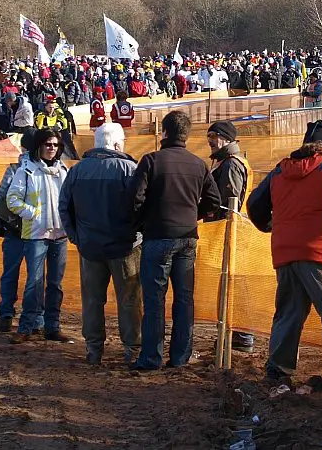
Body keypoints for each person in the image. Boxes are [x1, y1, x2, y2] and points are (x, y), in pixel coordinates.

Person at [247, 120, 322, 390]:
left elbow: (255, 204)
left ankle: (278, 370)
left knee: (288, 312)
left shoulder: (280, 171)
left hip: (286, 252)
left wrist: (272, 226)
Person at [131, 111, 221, 371]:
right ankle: (180, 357)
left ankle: (151, 358)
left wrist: (141, 224)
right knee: (184, 299)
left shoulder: (151, 161)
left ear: (165, 133)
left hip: (158, 237)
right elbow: (213, 201)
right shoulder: (198, 164)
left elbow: (135, 199)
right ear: (186, 135)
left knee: (155, 299)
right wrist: (195, 215)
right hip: (187, 238)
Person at [60, 123, 144, 366]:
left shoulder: (77, 171)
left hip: (90, 248)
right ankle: (132, 349)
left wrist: (76, 237)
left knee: (92, 300)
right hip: (125, 247)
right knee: (129, 299)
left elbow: (64, 206)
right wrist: (138, 235)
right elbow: (141, 206)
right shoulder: (129, 169)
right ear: (117, 144)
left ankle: (94, 349)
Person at [5, 128, 70, 343]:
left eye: (55, 145)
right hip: (35, 235)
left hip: (59, 235)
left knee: (55, 283)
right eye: (47, 144)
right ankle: (26, 326)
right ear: (39, 146)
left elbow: (70, 200)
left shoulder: (63, 171)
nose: (51, 149)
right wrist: (33, 213)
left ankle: (52, 326)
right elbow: (12, 199)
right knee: (34, 281)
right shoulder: (26, 171)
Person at [205, 120, 254, 353]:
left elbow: (229, 201)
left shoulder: (231, 165)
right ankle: (239, 334)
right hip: (229, 230)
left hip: (230, 231)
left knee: (234, 283)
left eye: (213, 136)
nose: (210, 141)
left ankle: (243, 335)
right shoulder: (225, 162)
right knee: (231, 283)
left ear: (225, 138)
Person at [0, 128, 38, 332]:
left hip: (14, 229)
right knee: (36, 276)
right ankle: (36, 318)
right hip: (37, 228)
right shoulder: (44, 168)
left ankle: (6, 313)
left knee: (10, 273)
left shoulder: (14, 168)